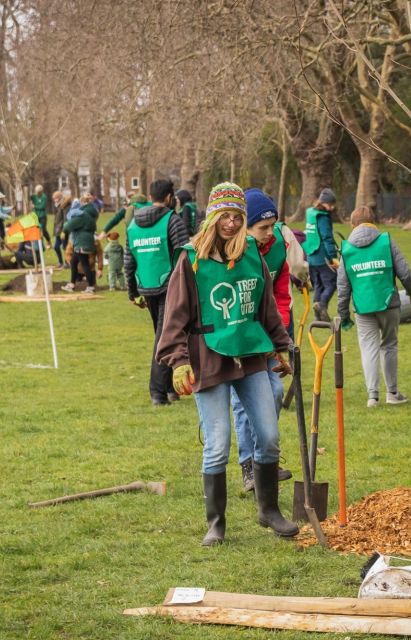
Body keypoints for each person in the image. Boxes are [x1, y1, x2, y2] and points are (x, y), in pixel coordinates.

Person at [156, 181, 298, 546]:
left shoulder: (253, 252)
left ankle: (269, 510)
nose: (232, 224)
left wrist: (281, 346)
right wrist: (177, 362)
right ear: (212, 216)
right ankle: (216, 524)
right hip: (208, 359)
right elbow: (173, 318)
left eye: (238, 217)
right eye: (225, 216)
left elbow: (266, 306)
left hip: (251, 356)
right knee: (217, 444)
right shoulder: (191, 260)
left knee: (268, 436)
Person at [230, 187, 295, 491]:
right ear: (244, 226)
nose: (270, 233)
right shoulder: (230, 251)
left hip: (268, 336)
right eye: (263, 228)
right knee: (243, 403)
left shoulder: (279, 246)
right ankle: (249, 468)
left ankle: (264, 459)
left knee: (276, 392)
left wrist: (278, 333)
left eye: (273, 226)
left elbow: (281, 294)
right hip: (239, 339)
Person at [337, 206, 411, 408]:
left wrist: (344, 314)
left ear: (352, 224)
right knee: (389, 345)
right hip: (389, 303)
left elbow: (343, 287)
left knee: (368, 349)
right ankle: (392, 393)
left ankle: (372, 396)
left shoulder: (346, 249)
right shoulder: (386, 241)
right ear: (374, 222)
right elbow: (405, 272)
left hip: (362, 308)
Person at [124, 179, 189, 406]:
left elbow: (129, 260)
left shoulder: (133, 224)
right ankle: (158, 393)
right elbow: (184, 257)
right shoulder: (173, 220)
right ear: (170, 198)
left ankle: (171, 388)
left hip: (147, 285)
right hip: (171, 287)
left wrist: (132, 292)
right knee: (165, 338)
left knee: (164, 335)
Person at [303, 188, 339, 321]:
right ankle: (322, 304)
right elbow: (327, 238)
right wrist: (333, 257)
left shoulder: (311, 213)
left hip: (311, 256)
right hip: (322, 257)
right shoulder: (322, 217)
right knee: (332, 282)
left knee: (318, 285)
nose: (332, 207)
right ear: (325, 203)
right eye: (331, 204)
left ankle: (318, 316)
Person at [61, 193, 98, 293]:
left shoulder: (81, 215)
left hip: (82, 243)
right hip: (86, 241)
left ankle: (90, 286)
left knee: (85, 264)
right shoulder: (89, 214)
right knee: (73, 262)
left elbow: (70, 225)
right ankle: (72, 284)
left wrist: (64, 230)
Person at [51, 190, 71, 268]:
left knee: (65, 247)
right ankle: (60, 262)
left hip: (63, 230)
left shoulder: (65, 205)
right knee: (56, 247)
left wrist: (64, 231)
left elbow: (65, 219)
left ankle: (67, 262)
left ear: (59, 198)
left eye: (55, 198)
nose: (54, 200)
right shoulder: (58, 206)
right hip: (58, 230)